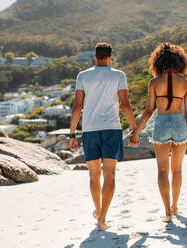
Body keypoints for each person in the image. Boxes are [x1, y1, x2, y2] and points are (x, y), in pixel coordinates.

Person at [69, 42, 137, 230]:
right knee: (110, 175)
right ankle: (103, 219)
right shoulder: (118, 75)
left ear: (95, 56)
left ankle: (98, 210)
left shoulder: (83, 76)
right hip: (112, 130)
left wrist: (72, 134)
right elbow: (125, 104)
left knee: (94, 175)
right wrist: (134, 129)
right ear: (110, 56)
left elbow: (77, 107)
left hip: (89, 131)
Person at [129, 42, 187, 222]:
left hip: (162, 123)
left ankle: (167, 211)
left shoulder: (154, 83)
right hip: (180, 122)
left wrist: (136, 132)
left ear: (157, 61)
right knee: (177, 170)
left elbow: (149, 111)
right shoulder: (185, 84)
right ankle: (175, 205)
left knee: (162, 170)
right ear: (179, 61)